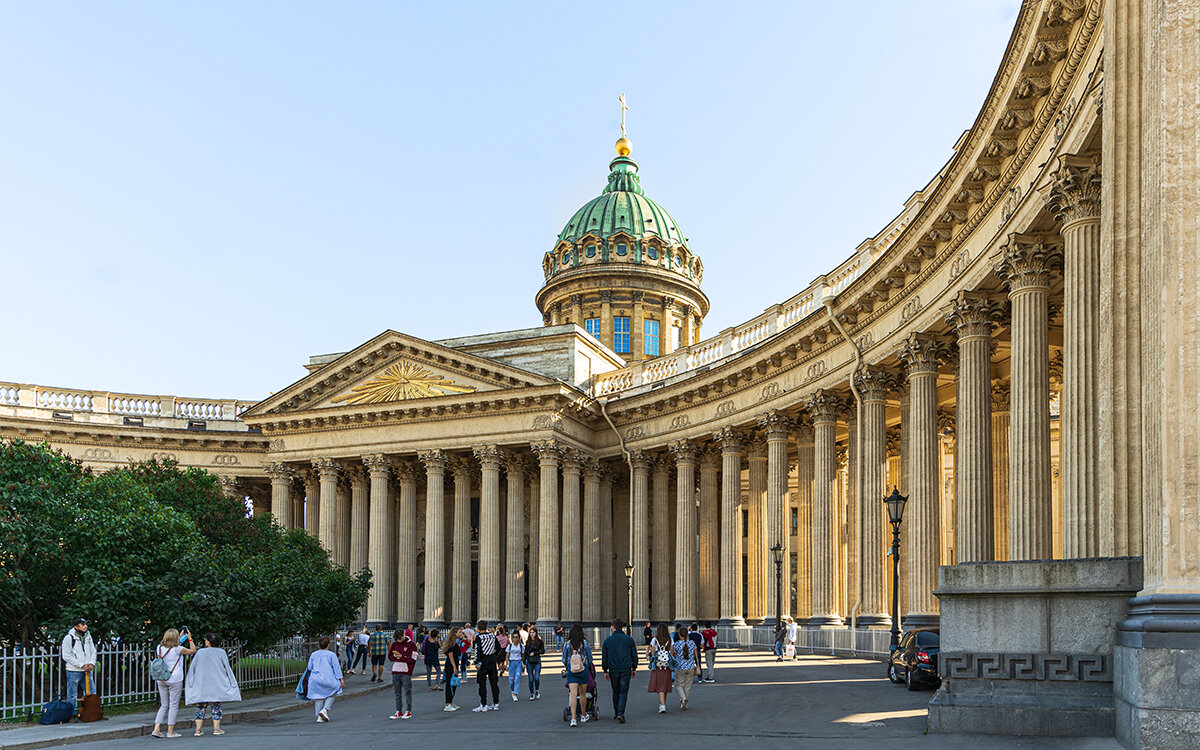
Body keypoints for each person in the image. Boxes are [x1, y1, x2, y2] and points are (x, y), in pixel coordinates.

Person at [184, 633, 241, 736]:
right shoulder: (221, 652)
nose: (205, 641)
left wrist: (191, 682)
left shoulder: (200, 652)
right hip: (217, 683)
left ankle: (198, 729)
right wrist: (232, 683)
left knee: (201, 706)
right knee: (216, 706)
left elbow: (193, 668)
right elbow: (227, 668)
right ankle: (216, 729)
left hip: (201, 683)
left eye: (206, 639)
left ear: (209, 642)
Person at [151, 628, 197, 738]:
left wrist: (180, 636)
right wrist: (189, 639)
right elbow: (193, 651)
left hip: (162, 679)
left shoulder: (159, 648)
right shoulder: (178, 649)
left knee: (164, 705)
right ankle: (170, 731)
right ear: (175, 638)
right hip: (175, 679)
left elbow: (172, 646)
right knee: (173, 705)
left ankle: (156, 729)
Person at [601, 617, 638, 724]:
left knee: (615, 691)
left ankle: (616, 712)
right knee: (623, 691)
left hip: (613, 669)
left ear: (613, 627)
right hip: (626, 669)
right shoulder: (629, 640)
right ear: (622, 627)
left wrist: (605, 670)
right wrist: (634, 667)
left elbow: (605, 657)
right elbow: (634, 656)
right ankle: (620, 713)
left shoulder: (608, 641)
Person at [60, 617, 97, 713]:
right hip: (73, 670)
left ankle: (92, 712)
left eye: (86, 624)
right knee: (72, 695)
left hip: (87, 670)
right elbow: (66, 656)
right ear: (76, 627)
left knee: (91, 693)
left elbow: (93, 651)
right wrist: (81, 665)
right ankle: (71, 713)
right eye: (83, 624)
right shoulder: (69, 638)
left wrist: (92, 663)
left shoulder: (88, 636)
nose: (85, 626)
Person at [304, 635, 344, 723]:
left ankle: (319, 717)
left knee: (318, 697)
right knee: (335, 690)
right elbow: (336, 668)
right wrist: (341, 679)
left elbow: (309, 667)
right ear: (328, 645)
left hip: (315, 679)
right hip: (328, 678)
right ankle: (325, 710)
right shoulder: (332, 655)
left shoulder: (314, 654)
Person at [562, 623, 593, 727]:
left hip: (572, 671)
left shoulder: (567, 644)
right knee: (583, 694)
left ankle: (573, 719)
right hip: (583, 670)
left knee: (573, 694)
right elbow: (590, 659)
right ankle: (584, 715)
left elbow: (564, 659)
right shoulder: (585, 643)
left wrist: (568, 664)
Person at [471, 620, 501, 712]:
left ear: (478, 628)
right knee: (494, 682)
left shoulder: (478, 637)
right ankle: (496, 703)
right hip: (492, 659)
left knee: (482, 683)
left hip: (483, 661)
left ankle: (484, 704)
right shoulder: (492, 636)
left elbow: (477, 651)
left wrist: (476, 662)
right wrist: (493, 655)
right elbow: (499, 648)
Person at [387, 629, 417, 719]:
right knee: (397, 693)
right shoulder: (395, 644)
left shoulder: (411, 645)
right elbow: (390, 657)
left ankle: (408, 710)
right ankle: (398, 710)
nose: (398, 641)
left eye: (399, 639)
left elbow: (413, 659)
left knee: (407, 691)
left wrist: (402, 657)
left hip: (406, 671)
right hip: (396, 670)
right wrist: (394, 656)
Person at [646, 623, 673, 714]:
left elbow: (653, 653)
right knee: (665, 685)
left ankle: (662, 705)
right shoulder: (670, 639)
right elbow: (672, 652)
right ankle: (663, 703)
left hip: (658, 665)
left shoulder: (654, 640)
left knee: (660, 686)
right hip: (667, 665)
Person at [672, 625, 699, 710]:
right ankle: (684, 703)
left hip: (680, 667)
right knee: (687, 686)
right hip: (690, 666)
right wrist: (697, 664)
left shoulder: (676, 644)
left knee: (678, 685)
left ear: (679, 635)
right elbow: (696, 655)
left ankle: (683, 698)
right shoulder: (692, 643)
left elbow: (673, 654)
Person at [441, 626, 463, 711]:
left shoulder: (454, 642)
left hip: (453, 664)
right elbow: (450, 655)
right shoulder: (452, 643)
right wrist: (454, 666)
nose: (461, 634)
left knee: (453, 683)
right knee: (450, 684)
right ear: (455, 633)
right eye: (459, 632)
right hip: (451, 665)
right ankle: (448, 703)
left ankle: (450, 702)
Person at [524, 626, 545, 700]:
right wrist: (524, 662)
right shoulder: (528, 642)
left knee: (536, 677)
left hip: (537, 660)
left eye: (533, 632)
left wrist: (535, 653)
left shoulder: (540, 641)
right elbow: (525, 653)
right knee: (530, 679)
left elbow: (542, 651)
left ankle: (536, 690)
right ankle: (532, 693)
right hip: (529, 661)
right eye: (530, 632)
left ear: (536, 633)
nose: (531, 634)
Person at [504, 626, 524, 701]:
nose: (515, 638)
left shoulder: (521, 647)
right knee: (511, 681)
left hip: (518, 662)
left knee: (517, 678)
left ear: (519, 638)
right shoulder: (509, 646)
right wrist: (506, 664)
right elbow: (507, 656)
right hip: (511, 663)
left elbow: (522, 656)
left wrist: (523, 664)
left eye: (516, 637)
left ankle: (515, 694)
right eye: (514, 637)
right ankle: (512, 690)